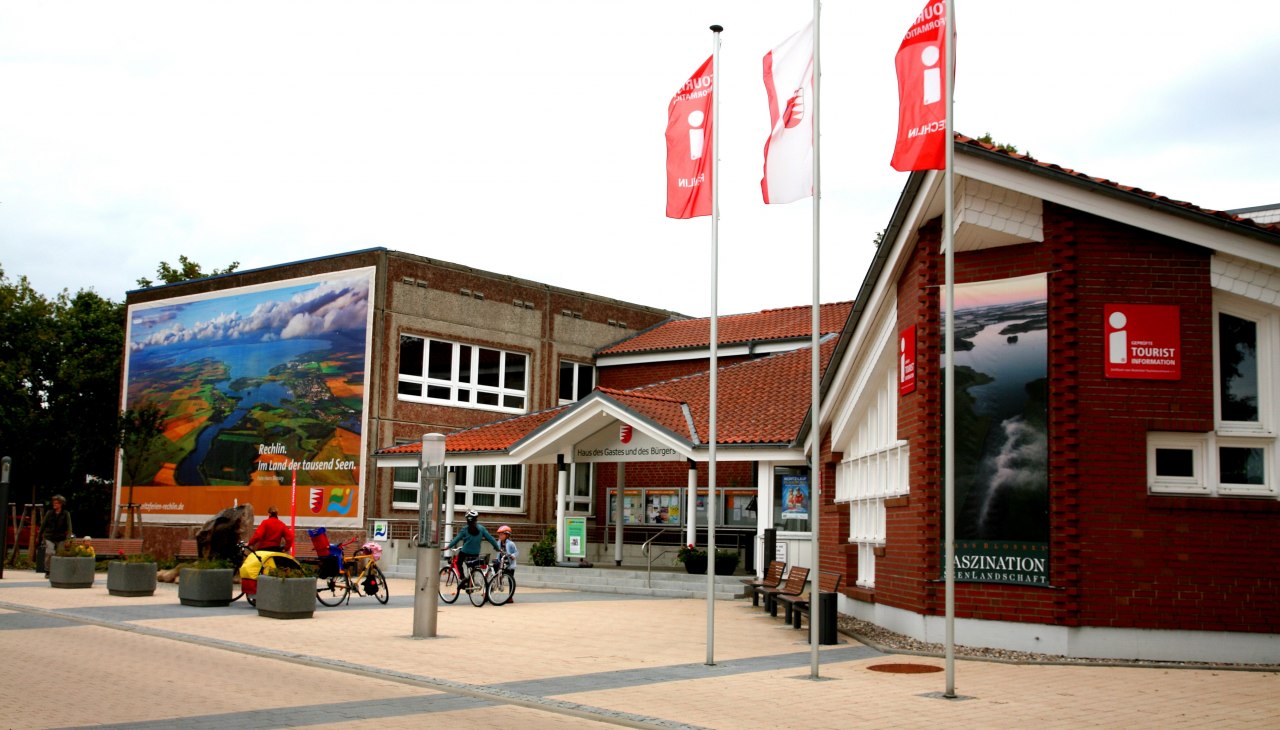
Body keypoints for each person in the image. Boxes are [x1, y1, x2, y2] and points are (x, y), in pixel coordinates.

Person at [446, 510, 501, 585]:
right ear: (476, 519)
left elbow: (457, 539)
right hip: (476, 553)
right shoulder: (481, 528)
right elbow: (491, 538)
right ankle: (471, 584)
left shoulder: (465, 529)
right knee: (473, 568)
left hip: (465, 552)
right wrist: (497, 548)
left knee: (458, 563)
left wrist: (448, 547)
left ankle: (463, 578)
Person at [39, 494, 72, 577]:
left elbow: (69, 527)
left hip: (61, 537)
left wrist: (68, 539)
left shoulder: (66, 514)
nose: (55, 504)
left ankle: (58, 570)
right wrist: (39, 535)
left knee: (60, 554)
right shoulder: (49, 513)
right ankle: (48, 571)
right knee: (50, 553)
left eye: (57, 503)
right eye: (54, 503)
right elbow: (43, 525)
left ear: (61, 504)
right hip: (49, 536)